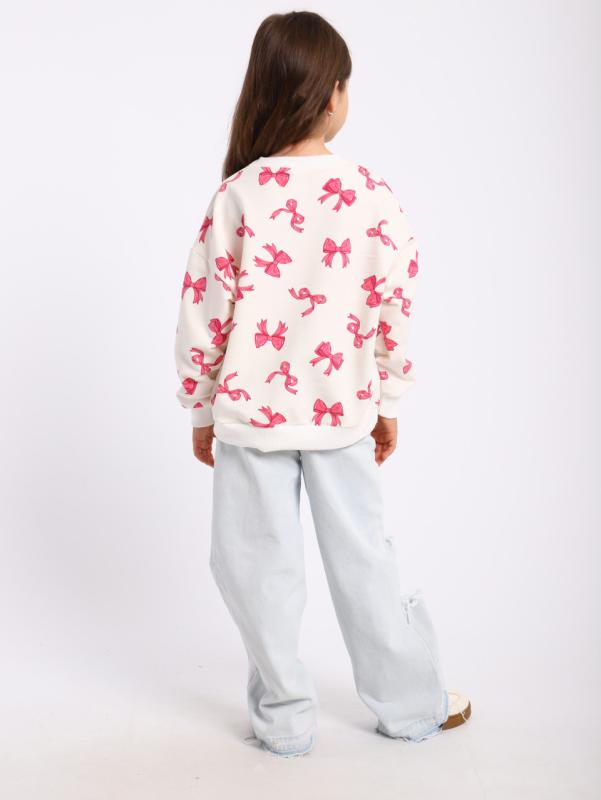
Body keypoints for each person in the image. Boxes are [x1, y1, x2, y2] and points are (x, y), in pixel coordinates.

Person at [174, 10, 471, 759]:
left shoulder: (237, 195)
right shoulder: (370, 193)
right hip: (342, 413)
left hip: (252, 417)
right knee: (364, 559)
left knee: (255, 569)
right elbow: (395, 303)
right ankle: (411, 706)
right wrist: (388, 398)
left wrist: (202, 409)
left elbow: (204, 311)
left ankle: (283, 720)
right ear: (331, 93)